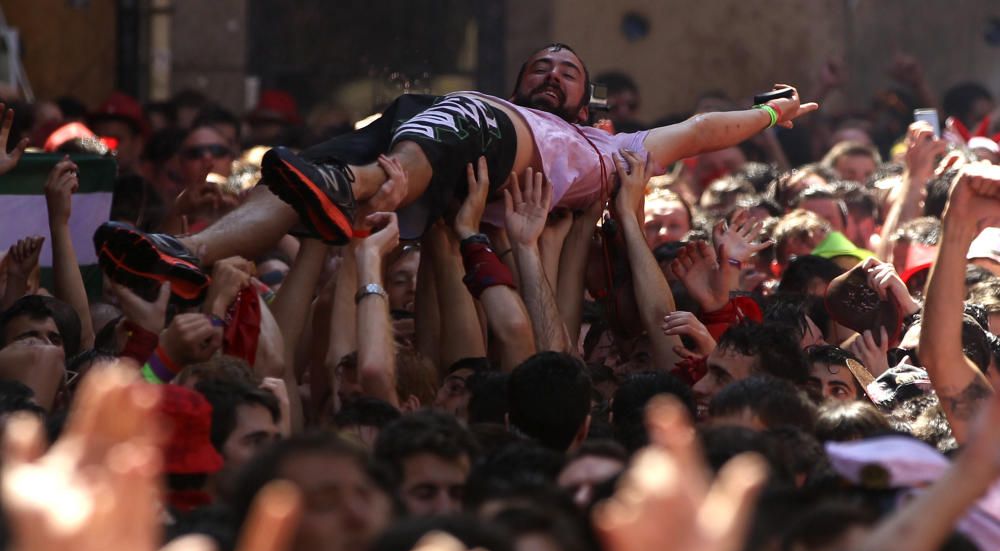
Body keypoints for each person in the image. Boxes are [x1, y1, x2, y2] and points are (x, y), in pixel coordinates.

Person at [92, 43, 816, 305]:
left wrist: (768, 118)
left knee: (448, 115)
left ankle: (356, 185)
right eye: (540, 66)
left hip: (502, 173)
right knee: (303, 177)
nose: (552, 73)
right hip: (451, 165)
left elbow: (698, 130)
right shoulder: (482, 106)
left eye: (568, 72)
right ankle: (190, 255)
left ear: (586, 102)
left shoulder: (613, 146)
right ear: (518, 80)